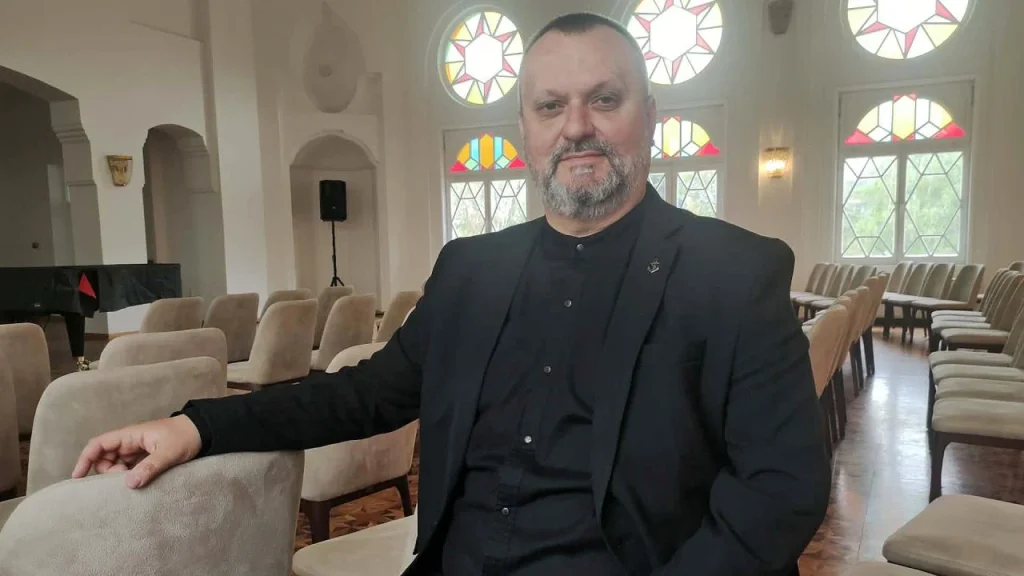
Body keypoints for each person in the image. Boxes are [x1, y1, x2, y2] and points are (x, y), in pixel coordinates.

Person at [74, 12, 830, 576]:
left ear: (651, 117)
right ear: (525, 130)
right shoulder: (473, 269)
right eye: (550, 106)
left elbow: (781, 490)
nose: (577, 128)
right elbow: (364, 394)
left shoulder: (733, 272)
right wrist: (197, 425)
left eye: (605, 99)